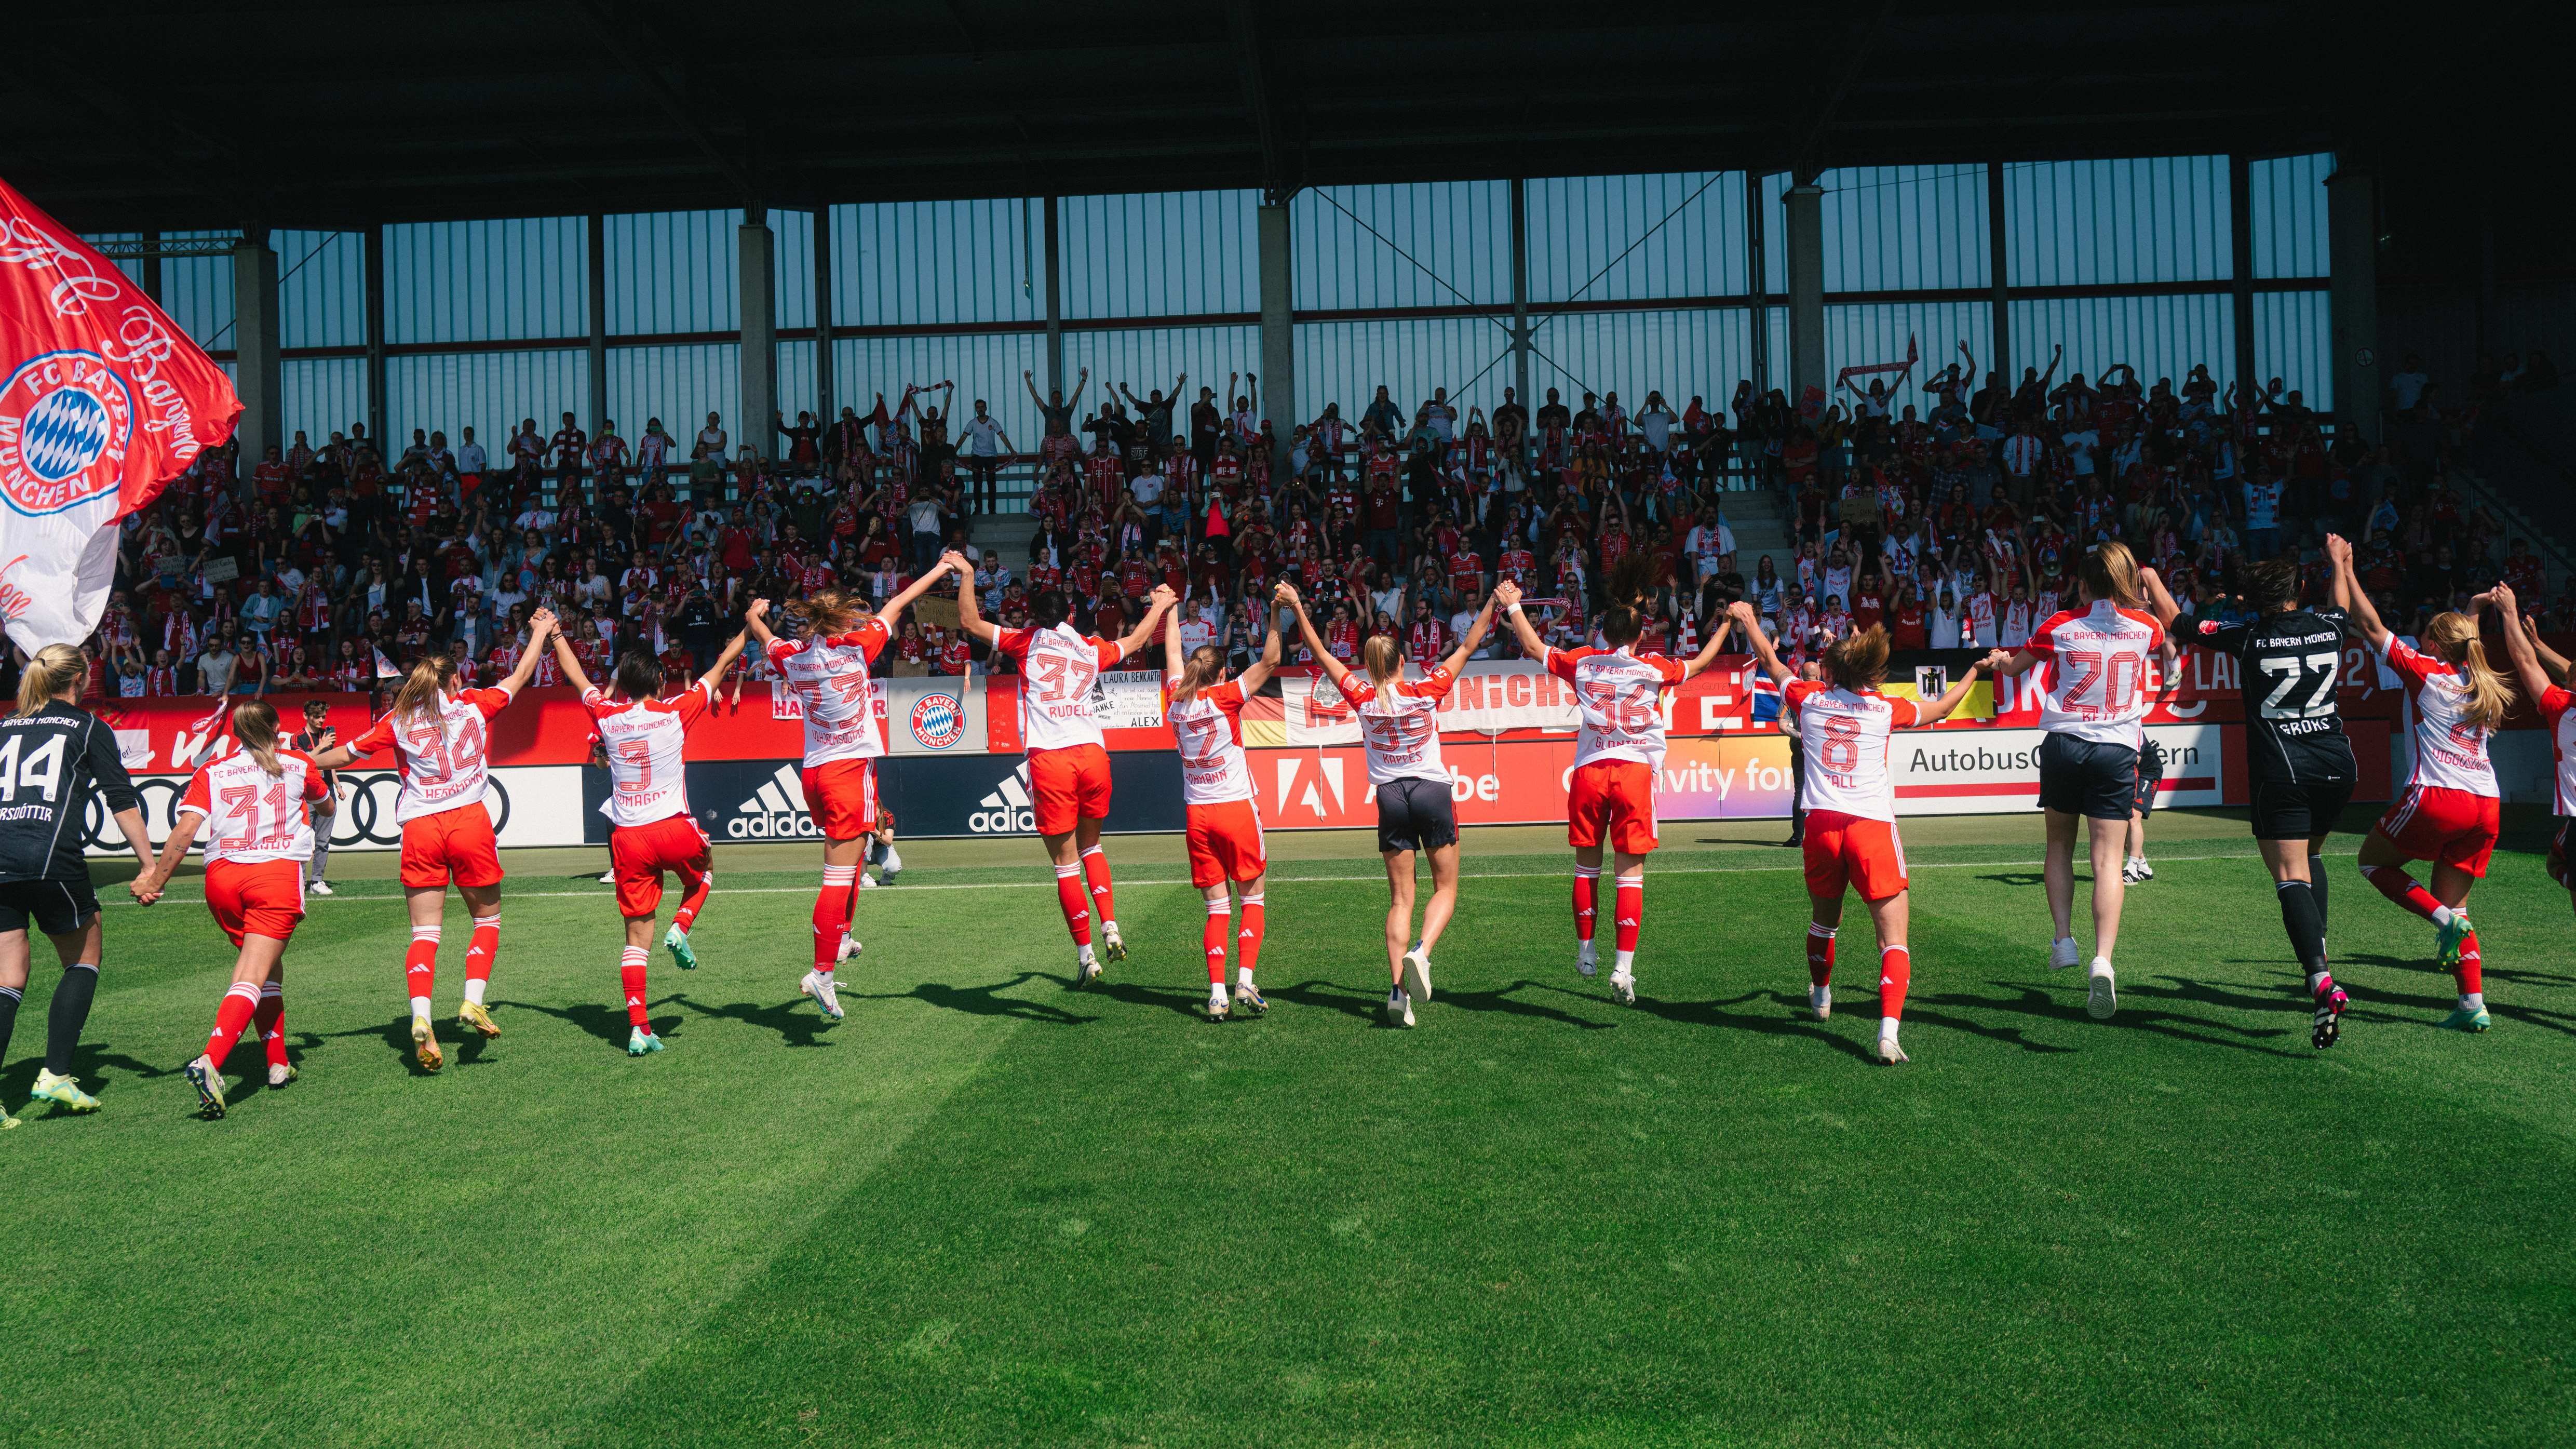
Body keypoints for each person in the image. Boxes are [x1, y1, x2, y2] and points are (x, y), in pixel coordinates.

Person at [312, 611, 561, 1068]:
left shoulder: (398, 719)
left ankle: (421, 1016)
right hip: (469, 822)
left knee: (425, 933)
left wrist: (300, 761)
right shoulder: (475, 704)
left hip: (421, 829)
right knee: (486, 922)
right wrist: (541, 631)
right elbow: (523, 673)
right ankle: (472, 1001)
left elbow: (345, 754)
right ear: (456, 678)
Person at [1735, 606, 1981, 1062]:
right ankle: (1888, 1033)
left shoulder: (1808, 698)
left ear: (1829, 670)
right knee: (1893, 940)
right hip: (1869, 826)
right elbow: (1945, 706)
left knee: (1823, 922)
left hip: (1822, 826)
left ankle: (1821, 994)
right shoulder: (1885, 709)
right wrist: (1976, 669)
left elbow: (1771, 663)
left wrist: (1748, 619)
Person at [1491, 558, 1734, 1003]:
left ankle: (1586, 953)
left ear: (1604, 633)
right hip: (1634, 773)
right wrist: (1724, 623)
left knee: (1587, 867)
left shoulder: (1584, 662)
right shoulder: (1654, 667)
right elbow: (1698, 664)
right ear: (1641, 636)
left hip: (1589, 771)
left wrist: (1513, 606)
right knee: (1630, 876)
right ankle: (1623, 970)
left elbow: (1531, 646)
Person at [2141, 552, 2356, 1045]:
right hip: (2338, 765)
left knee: (2288, 876)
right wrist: (2339, 563)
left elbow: (2179, 622)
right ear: (2298, 590)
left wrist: (2151, 578)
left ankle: (2319, 977)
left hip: (2282, 770)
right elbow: (2341, 605)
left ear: (2250, 601)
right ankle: (2316, 949)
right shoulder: (2328, 626)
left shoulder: (2249, 636)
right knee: (2313, 854)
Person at [741, 560, 954, 1022]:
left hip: (814, 772)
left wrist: (755, 614)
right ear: (841, 621)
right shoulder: (857, 647)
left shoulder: (792, 657)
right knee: (837, 877)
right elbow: (898, 602)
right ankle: (820, 974)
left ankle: (840, 939)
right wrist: (941, 568)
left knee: (854, 858)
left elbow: (763, 635)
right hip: (847, 770)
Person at [950, 551, 1176, 982]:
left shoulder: (1025, 641)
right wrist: (1161, 606)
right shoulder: (1090, 647)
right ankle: (1110, 923)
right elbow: (1134, 643)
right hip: (1092, 753)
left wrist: (968, 574)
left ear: (1032, 617)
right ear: (1071, 613)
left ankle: (1086, 955)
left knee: (1065, 865)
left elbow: (970, 623)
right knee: (1093, 848)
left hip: (1050, 758)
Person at [1279, 581, 1496, 1028]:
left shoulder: (1360, 695)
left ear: (1368, 666)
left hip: (1390, 797)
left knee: (1400, 900)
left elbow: (1320, 652)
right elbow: (1471, 642)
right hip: (1431, 791)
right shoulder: (1426, 689)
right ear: (1403, 662)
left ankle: (1397, 993)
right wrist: (1495, 600)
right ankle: (1422, 952)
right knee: (1446, 889)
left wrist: (1299, 606)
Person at [1979, 542, 2176, 1021]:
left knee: (2057, 849)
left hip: (2065, 743)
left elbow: (2013, 668)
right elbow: (2171, 638)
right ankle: (2103, 961)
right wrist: (2146, 588)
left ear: (2083, 583)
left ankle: (2063, 939)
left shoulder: (2059, 625)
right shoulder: (2145, 627)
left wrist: (1998, 660)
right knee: (2108, 860)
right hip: (2116, 750)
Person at [2332, 542, 2511, 1032]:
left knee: (2371, 861)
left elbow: (2370, 627)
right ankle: (2472, 1002)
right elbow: (2465, 640)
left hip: (2437, 797)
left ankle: (2441, 921)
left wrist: (2344, 567)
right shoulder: (2478, 679)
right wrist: (2472, 609)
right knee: (2458, 905)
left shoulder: (2424, 671)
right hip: (2486, 805)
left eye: (2427, 634)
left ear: (2433, 645)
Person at [549, 622, 747, 1055]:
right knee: (703, 875)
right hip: (672, 827)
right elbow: (721, 665)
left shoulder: (606, 714)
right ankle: (682, 925)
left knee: (635, 940)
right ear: (660, 681)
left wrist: (556, 634)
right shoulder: (675, 710)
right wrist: (751, 626)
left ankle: (639, 1028)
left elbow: (577, 677)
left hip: (629, 839)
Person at [147, 702, 333, 1117]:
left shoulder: (213, 770)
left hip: (223, 881)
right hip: (275, 877)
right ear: (277, 727)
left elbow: (186, 830)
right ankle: (211, 1061)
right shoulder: (298, 763)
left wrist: (156, 880)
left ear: (236, 731)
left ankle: (277, 1063)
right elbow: (328, 807)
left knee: (266, 967)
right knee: (252, 973)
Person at [0, 645, 157, 1128]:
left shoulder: (5, 726)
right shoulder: (88, 727)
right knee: (84, 955)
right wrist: (149, 866)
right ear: (82, 680)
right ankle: (57, 1074)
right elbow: (122, 800)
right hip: (51, 858)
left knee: (8, 976)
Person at [1161, 582, 1286, 1021]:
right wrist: (1273, 612)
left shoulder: (1175, 702)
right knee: (1252, 899)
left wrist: (1171, 608)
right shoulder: (1226, 696)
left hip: (1197, 815)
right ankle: (1245, 981)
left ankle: (1216, 995)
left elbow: (1173, 656)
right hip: (1235, 808)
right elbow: (1271, 659)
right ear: (1219, 674)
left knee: (1217, 907)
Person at [2492, 588, 2576, 917]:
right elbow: (2569, 671)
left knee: (2558, 866)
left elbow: (2524, 661)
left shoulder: (2562, 709)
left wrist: (2509, 613)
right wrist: (2540, 645)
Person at [290, 700, 345, 895]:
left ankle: (317, 881)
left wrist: (338, 786)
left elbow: (330, 763)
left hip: (327, 790)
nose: (321, 720)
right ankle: (301, 882)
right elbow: (301, 762)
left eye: (323, 717)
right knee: (302, 839)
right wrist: (322, 747)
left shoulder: (326, 736)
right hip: (305, 793)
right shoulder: (297, 738)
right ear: (306, 716)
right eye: (317, 717)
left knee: (323, 840)